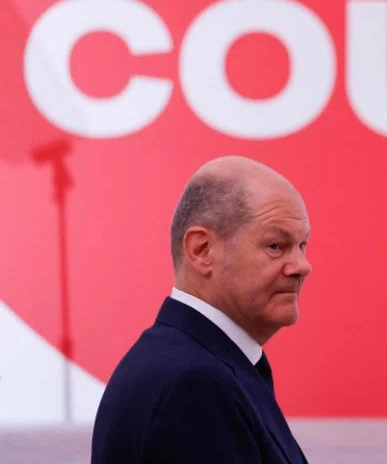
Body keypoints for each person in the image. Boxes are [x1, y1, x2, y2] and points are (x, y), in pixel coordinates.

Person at [91, 156, 313, 463]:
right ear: (201, 251)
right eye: (276, 245)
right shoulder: (193, 384)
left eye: (302, 246)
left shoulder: (201, 365)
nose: (303, 266)